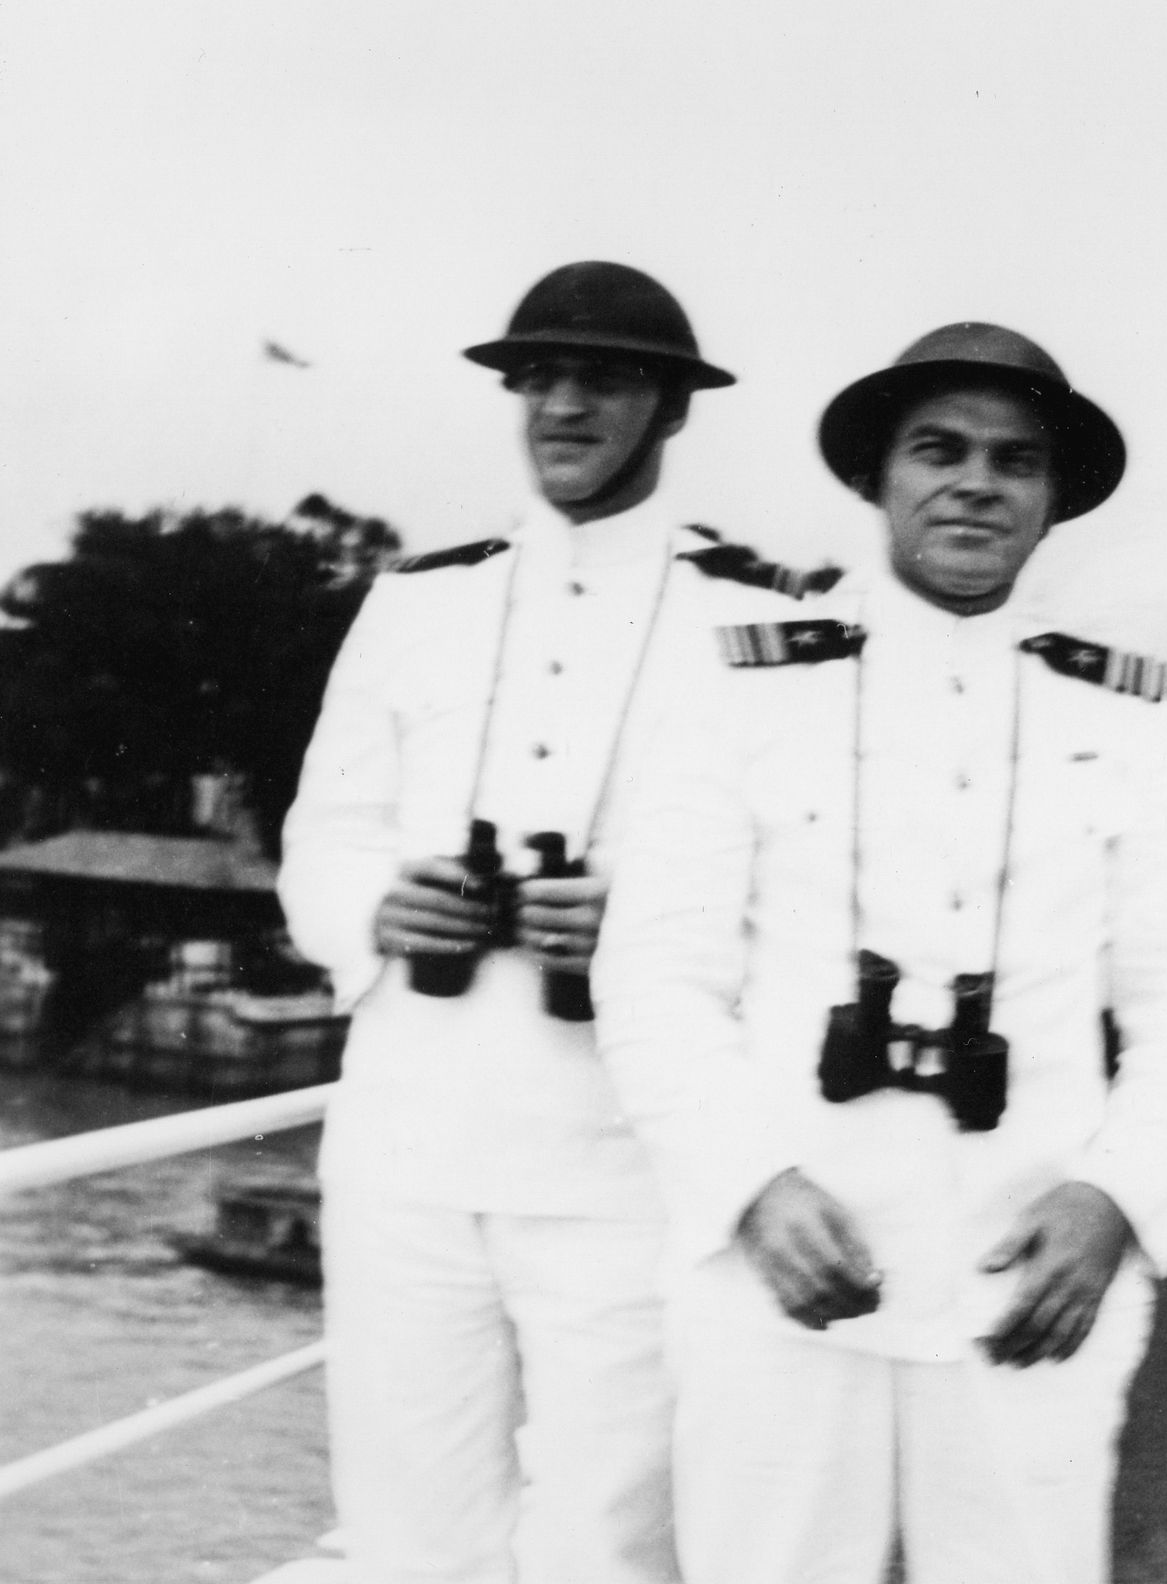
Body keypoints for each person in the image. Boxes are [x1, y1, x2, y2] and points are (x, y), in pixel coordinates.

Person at [592, 322, 1167, 1584]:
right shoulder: (744, 686)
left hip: (1026, 1277)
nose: (973, 482)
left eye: (1014, 463)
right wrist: (749, 1185)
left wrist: (1114, 1195)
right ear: (875, 480)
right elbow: (656, 977)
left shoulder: (1121, 715)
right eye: (936, 451)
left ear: (1051, 504)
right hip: (785, 1267)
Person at [280, 260, 841, 1584]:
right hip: (407, 1151)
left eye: (605, 379)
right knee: (411, 1538)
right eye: (539, 378)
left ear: (673, 411)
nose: (565, 406)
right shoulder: (419, 600)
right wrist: (381, 902)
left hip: (623, 1171)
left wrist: (641, 929)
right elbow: (323, 839)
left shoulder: (764, 627)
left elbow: (803, 907)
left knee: (610, 1542)